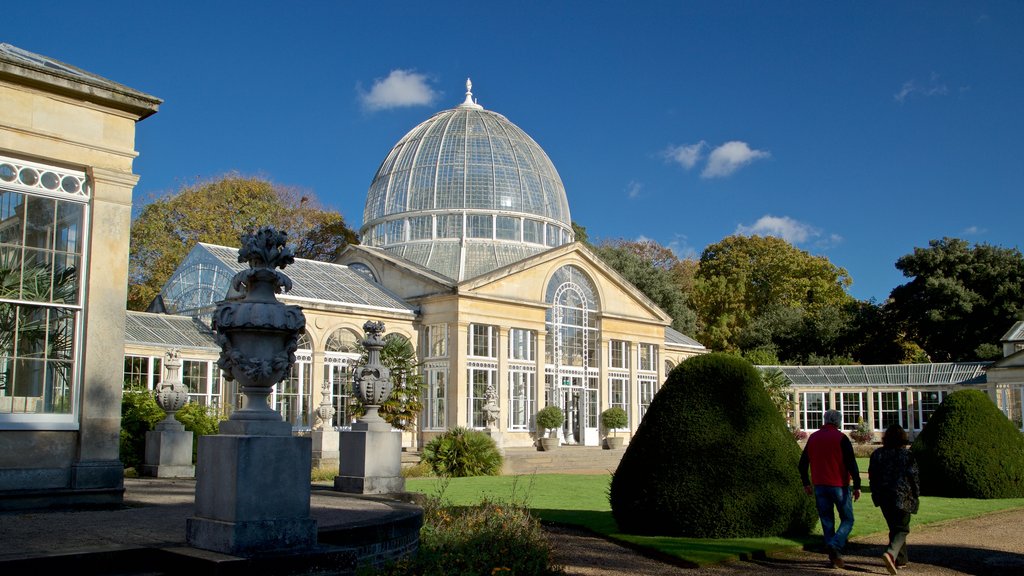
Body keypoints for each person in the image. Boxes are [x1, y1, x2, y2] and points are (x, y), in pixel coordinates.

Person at [799, 409, 861, 568]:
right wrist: (857, 485)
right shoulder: (841, 438)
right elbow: (851, 464)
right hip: (839, 484)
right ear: (838, 421)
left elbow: (802, 464)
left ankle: (832, 556)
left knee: (827, 521)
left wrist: (806, 482)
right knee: (848, 519)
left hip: (820, 485)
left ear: (825, 420)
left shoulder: (813, 438)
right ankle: (835, 544)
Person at [869, 424, 920, 575]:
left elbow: (873, 476)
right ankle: (891, 553)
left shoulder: (877, 454)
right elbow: (914, 477)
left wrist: (875, 493)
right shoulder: (906, 455)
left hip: (884, 496)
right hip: (902, 495)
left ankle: (900, 560)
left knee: (895, 528)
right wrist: (916, 493)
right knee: (903, 528)